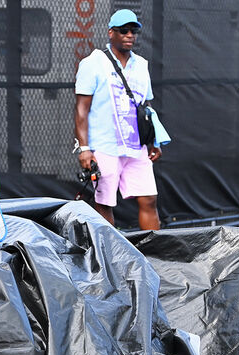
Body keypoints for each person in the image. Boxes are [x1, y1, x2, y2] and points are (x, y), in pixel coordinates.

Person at [74, 9, 162, 230]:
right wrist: (84, 148)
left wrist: (155, 140)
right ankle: (110, 258)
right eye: (124, 30)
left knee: (149, 199)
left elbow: (146, 107)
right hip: (104, 147)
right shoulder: (93, 62)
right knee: (104, 204)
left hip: (136, 146)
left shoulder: (142, 65)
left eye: (133, 31)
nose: (130, 35)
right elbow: (81, 109)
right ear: (111, 33)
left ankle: (154, 258)